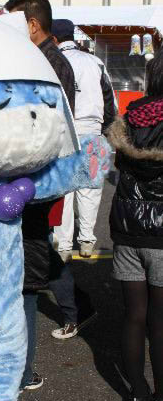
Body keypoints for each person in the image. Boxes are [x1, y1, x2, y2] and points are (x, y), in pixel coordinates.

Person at [5, 0, 95, 390]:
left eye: (14, 22)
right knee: (30, 262)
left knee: (27, 276)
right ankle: (77, 305)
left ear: (32, 24)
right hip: (31, 182)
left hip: (35, 181)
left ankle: (23, 370)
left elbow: (46, 127)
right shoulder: (42, 58)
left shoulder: (49, 63)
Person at [108, 53, 163, 401]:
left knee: (134, 316)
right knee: (160, 322)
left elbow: (119, 167)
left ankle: (137, 396)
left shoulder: (130, 117)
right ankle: (161, 400)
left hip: (127, 228)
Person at [52, 19, 117, 259]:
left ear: (54, 39)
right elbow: (110, 101)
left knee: (64, 190)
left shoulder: (54, 60)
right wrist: (105, 127)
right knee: (89, 188)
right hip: (92, 128)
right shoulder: (95, 62)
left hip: (64, 131)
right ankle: (87, 241)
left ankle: (63, 244)